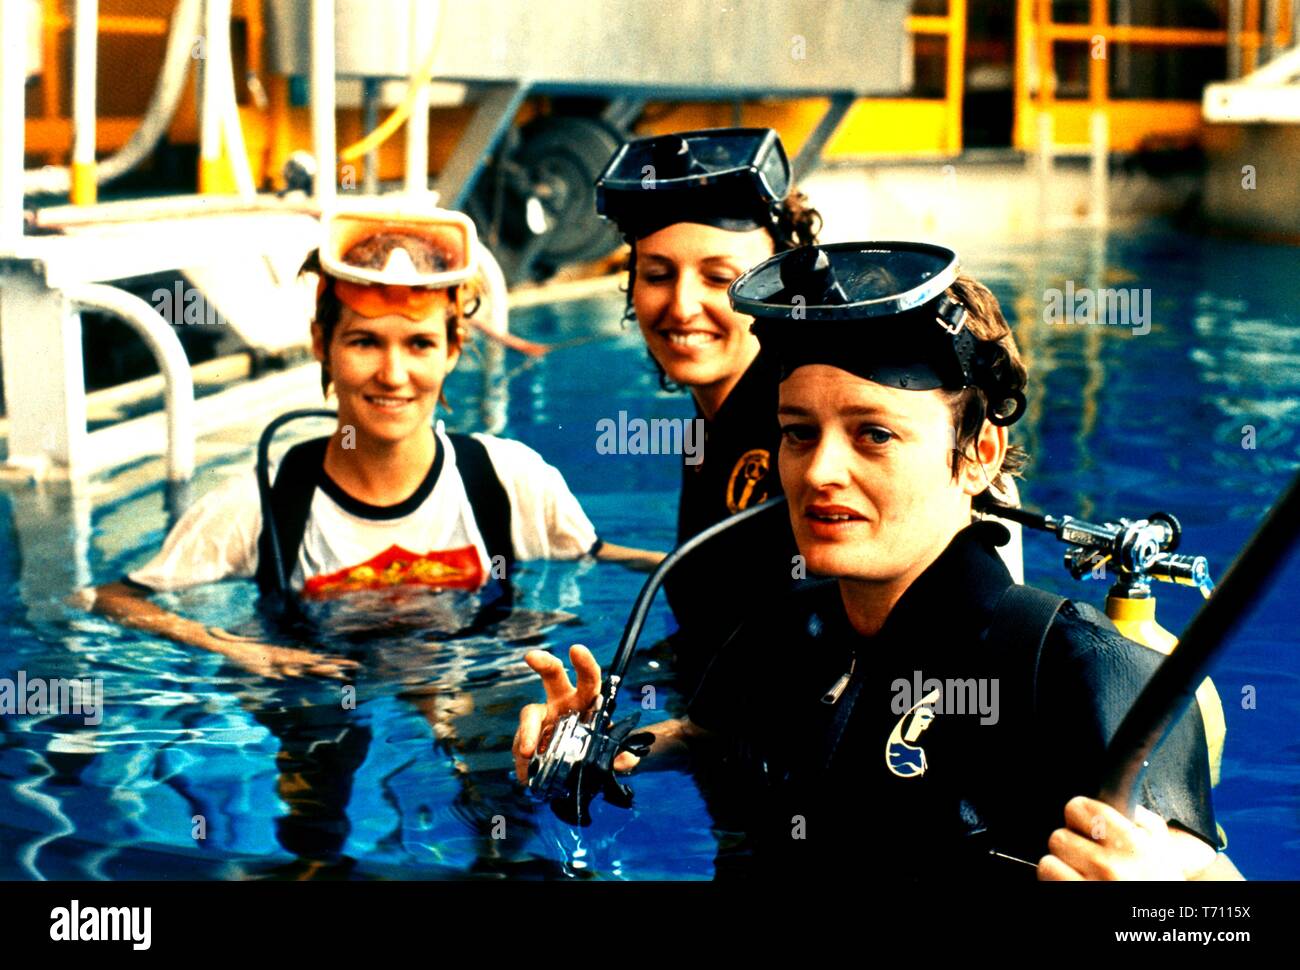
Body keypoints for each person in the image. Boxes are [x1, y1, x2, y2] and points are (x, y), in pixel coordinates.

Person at [513, 241, 1240, 881]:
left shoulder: (1086, 673)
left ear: (977, 456)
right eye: (800, 433)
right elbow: (708, 739)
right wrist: (595, 746)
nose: (820, 471)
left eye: (873, 435)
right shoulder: (779, 630)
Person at [84, 203, 657, 678]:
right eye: (364, 342)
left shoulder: (510, 482)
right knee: (313, 810)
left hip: (472, 674)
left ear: (453, 349)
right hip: (318, 695)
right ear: (320, 342)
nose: (393, 374)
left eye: (419, 344)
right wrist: (233, 647)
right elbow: (109, 599)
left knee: (499, 797)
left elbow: (607, 561)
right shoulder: (263, 505)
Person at [596, 128, 1021, 688]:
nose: (682, 305)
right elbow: (728, 580)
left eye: (720, 277)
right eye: (656, 274)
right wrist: (599, 553)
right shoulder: (721, 423)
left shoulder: (808, 423)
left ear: (777, 285)